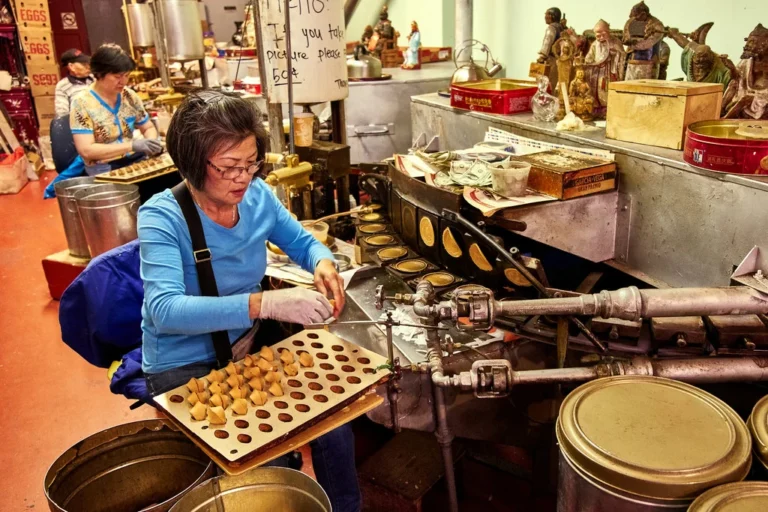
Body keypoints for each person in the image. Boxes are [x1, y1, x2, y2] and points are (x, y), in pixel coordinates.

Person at [137, 90, 359, 511]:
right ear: (190, 162)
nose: (243, 177)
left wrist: (323, 263)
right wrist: (265, 305)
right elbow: (164, 310)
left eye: (251, 163)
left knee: (335, 423)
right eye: (228, 167)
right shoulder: (162, 217)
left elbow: (300, 241)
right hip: (183, 361)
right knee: (262, 455)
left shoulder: (257, 197)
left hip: (245, 345)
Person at [70, 43, 163, 176]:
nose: (123, 82)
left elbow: (148, 127)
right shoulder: (81, 103)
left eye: (126, 76)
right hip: (104, 168)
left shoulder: (129, 96)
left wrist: (151, 143)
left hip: (135, 160)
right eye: (117, 77)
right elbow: (86, 150)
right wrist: (132, 146)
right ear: (99, 73)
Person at [622, 1, 665, 80]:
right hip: (632, 61)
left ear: (643, 14)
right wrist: (628, 41)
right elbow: (625, 37)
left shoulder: (657, 25)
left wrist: (631, 43)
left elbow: (646, 44)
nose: (634, 18)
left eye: (636, 16)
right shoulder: (631, 22)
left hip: (649, 63)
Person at [54, 49, 94, 118]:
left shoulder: (96, 78)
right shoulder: (62, 86)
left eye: (88, 63)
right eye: (84, 64)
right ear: (71, 67)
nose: (88, 67)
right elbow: (62, 114)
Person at [536, 7, 565, 88]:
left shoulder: (551, 28)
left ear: (552, 16)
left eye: (547, 14)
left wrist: (542, 56)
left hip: (551, 61)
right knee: (553, 83)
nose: (545, 16)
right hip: (559, 61)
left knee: (547, 85)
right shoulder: (561, 27)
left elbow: (547, 42)